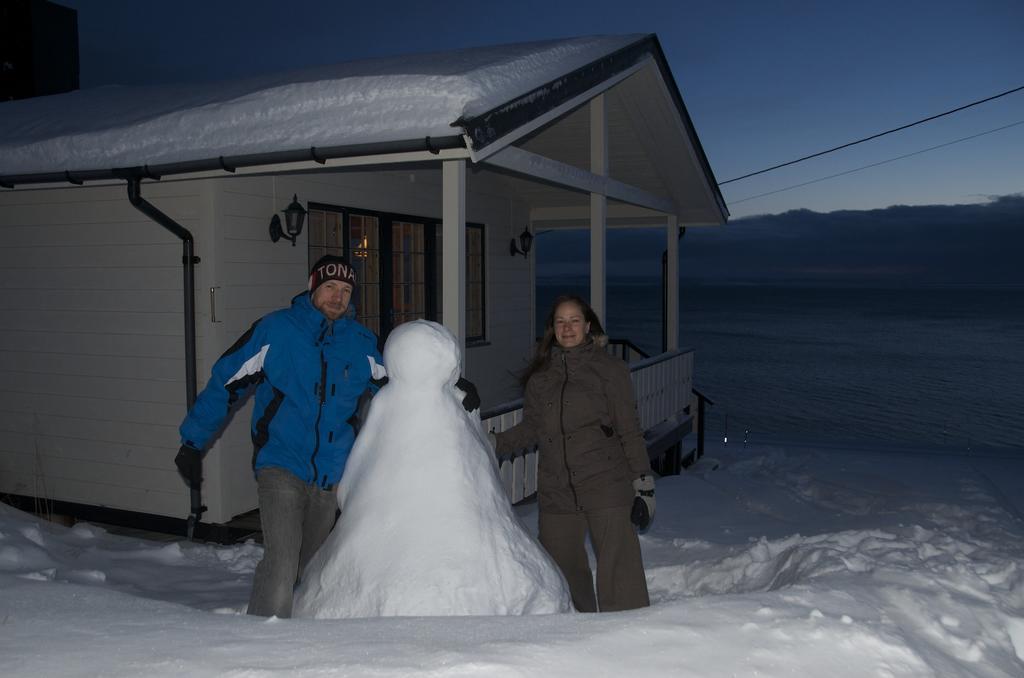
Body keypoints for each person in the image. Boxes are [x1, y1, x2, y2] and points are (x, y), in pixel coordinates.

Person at [173, 254, 480, 618]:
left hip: (330, 476)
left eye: (346, 290)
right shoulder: (276, 331)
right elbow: (225, 383)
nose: (338, 297)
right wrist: (193, 441)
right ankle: (260, 644)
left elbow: (405, 375)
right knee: (282, 564)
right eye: (330, 287)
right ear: (312, 287)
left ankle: (302, 640)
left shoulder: (361, 343)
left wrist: (452, 384)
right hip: (281, 464)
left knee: (313, 569)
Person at [492, 295, 655, 612]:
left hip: (606, 483)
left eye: (574, 320)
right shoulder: (541, 379)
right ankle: (578, 635)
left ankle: (630, 640)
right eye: (560, 322)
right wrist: (492, 443)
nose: (567, 328)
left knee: (619, 572)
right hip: (557, 489)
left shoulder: (610, 370)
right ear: (552, 329)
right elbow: (532, 428)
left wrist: (644, 484)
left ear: (588, 325)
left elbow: (629, 430)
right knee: (561, 570)